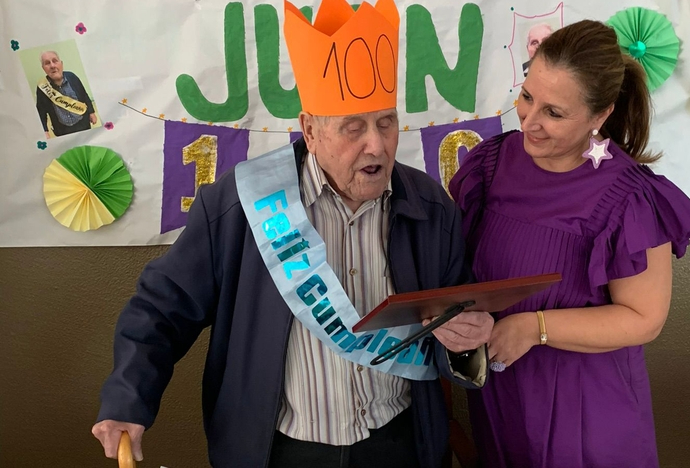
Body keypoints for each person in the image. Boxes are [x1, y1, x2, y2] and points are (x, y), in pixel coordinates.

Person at [91, 0, 493, 467]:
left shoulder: (430, 207)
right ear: (310, 129)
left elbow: (458, 329)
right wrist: (127, 398)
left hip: (397, 444)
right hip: (279, 451)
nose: (377, 144)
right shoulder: (240, 205)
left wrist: (468, 343)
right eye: (353, 128)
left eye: (386, 122)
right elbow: (162, 308)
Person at [450, 20, 690, 468]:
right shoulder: (489, 165)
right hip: (503, 398)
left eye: (554, 112)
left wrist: (535, 328)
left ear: (600, 114)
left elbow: (644, 319)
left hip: (586, 409)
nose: (530, 122)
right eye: (527, 97)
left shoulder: (629, 195)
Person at [35, 51, 97, 138]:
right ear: (43, 68)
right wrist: (45, 130)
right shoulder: (42, 88)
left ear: (61, 63)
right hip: (62, 131)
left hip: (83, 124)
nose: (52, 66)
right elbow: (41, 111)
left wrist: (91, 112)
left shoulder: (72, 77)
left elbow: (84, 95)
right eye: (47, 63)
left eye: (55, 61)